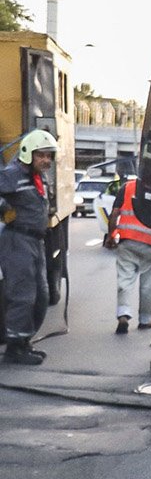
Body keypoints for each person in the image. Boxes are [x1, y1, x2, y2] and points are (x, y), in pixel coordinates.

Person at [0, 130, 57, 366]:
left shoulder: (38, 177)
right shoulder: (12, 175)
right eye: (41, 155)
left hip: (36, 241)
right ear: (27, 154)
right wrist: (4, 210)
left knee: (41, 296)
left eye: (49, 156)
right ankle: (14, 348)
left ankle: (24, 341)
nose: (46, 160)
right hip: (17, 240)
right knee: (23, 295)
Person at [104, 174, 151, 334]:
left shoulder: (127, 187)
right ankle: (145, 319)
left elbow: (115, 214)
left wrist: (110, 236)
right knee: (148, 284)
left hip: (128, 241)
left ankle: (123, 314)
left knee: (125, 279)